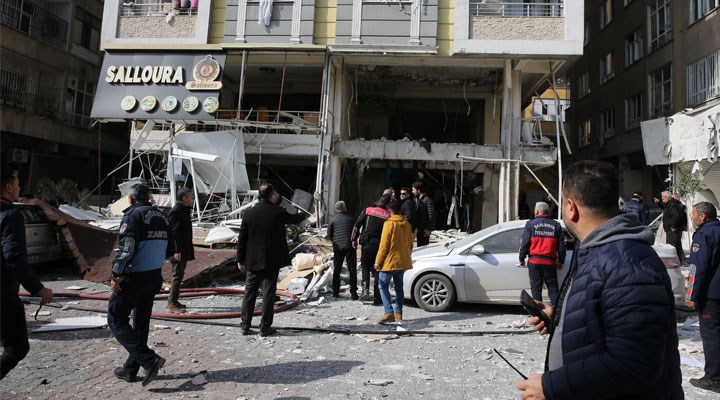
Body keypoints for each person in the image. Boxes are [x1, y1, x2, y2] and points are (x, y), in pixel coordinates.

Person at [518, 160, 683, 400]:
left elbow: (634, 364)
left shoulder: (628, 264)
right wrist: (561, 321)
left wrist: (551, 386)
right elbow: (605, 323)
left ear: (571, 207)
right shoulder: (597, 250)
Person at [108, 183, 173, 386]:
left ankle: (149, 359)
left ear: (132, 199)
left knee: (116, 319)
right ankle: (130, 369)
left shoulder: (133, 215)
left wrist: (116, 274)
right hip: (154, 277)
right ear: (149, 198)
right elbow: (171, 250)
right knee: (141, 322)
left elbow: (126, 248)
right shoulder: (163, 217)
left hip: (134, 277)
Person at [1, 169, 53, 380]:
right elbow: (13, 257)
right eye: (18, 184)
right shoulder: (10, 214)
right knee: (17, 348)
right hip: (3, 294)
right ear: (9, 187)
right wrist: (37, 288)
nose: (21, 188)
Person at [236, 184, 307, 337]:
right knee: (269, 293)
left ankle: (245, 325)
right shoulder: (277, 212)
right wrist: (304, 214)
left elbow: (242, 238)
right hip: (271, 259)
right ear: (272, 195)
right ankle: (265, 327)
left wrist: (240, 259)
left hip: (252, 259)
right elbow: (293, 219)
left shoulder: (249, 213)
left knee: (250, 292)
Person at [685, 201, 720, 393]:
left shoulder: (703, 235)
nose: (692, 218)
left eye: (693, 215)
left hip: (711, 295)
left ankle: (713, 377)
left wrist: (691, 294)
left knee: (712, 334)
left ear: (703, 216)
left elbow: (697, 269)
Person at [518, 201, 566, 306]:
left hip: (534, 262)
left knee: (536, 289)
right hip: (550, 262)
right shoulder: (556, 225)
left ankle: (539, 315)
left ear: (537, 211)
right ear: (547, 212)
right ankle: (556, 314)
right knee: (553, 289)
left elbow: (525, 243)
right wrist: (561, 261)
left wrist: (521, 259)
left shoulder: (530, 224)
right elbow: (562, 246)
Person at [374, 199, 413, 324]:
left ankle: (388, 312)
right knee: (399, 287)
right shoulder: (407, 224)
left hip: (389, 261)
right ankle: (398, 313)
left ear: (389, 210)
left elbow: (384, 245)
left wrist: (378, 261)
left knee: (383, 285)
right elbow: (410, 244)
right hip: (402, 261)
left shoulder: (389, 224)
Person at [351, 193, 391, 304]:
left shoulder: (368, 210)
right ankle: (377, 296)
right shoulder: (388, 215)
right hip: (380, 245)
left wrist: (353, 239)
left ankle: (365, 291)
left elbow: (356, 225)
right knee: (377, 268)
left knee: (365, 266)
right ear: (388, 204)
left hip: (366, 243)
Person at [167, 188, 195, 313]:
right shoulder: (177, 211)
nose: (192, 199)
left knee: (180, 274)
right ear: (184, 198)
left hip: (183, 247)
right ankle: (171, 302)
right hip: (178, 249)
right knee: (177, 275)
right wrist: (176, 250)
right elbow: (174, 232)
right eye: (190, 197)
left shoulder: (183, 210)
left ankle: (175, 300)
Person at [327, 200, 358, 300]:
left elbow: (329, 235)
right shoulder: (351, 218)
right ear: (345, 208)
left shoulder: (333, 219)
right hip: (350, 246)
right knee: (352, 270)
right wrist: (353, 240)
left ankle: (335, 292)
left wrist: (334, 240)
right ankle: (354, 293)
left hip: (338, 247)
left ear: (336, 209)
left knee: (337, 269)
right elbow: (356, 232)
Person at [655, 191, 687, 263]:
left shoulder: (673, 205)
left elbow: (676, 216)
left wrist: (673, 226)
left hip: (673, 230)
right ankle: (679, 262)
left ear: (668, 197)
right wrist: (659, 203)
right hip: (672, 230)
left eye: (664, 197)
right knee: (676, 246)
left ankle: (674, 263)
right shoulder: (670, 204)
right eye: (662, 197)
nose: (662, 198)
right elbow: (665, 209)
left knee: (672, 247)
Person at [412, 182, 435, 247]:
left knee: (423, 247)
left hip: (424, 229)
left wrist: (428, 228)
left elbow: (431, 215)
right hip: (418, 228)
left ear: (418, 190)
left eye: (414, 190)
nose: (412, 192)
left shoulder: (427, 200)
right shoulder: (416, 200)